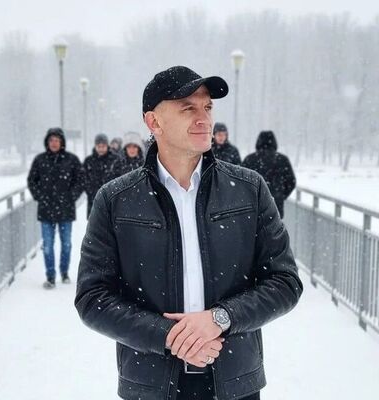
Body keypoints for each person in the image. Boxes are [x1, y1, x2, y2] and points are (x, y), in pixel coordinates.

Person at [75, 66, 303, 400]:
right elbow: (92, 298)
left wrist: (220, 318)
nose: (204, 118)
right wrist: (168, 336)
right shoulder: (115, 199)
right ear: (154, 122)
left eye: (207, 107)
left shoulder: (249, 189)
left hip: (235, 383)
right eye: (188, 108)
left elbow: (285, 282)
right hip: (151, 386)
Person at [28, 127, 84, 289]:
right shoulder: (40, 160)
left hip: (66, 210)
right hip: (46, 210)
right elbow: (32, 181)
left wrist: (71, 197)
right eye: (51, 140)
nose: (54, 143)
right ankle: (51, 276)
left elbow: (80, 180)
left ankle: (64, 272)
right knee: (47, 246)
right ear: (47, 142)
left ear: (62, 142)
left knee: (66, 245)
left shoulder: (71, 160)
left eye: (57, 140)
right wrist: (40, 196)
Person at [242, 130, 296, 218]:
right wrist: (281, 195)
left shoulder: (249, 159)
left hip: (253, 206)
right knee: (275, 225)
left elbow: (241, 182)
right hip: (275, 205)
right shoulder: (282, 159)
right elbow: (291, 182)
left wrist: (249, 196)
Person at [83, 133, 118, 218]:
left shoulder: (115, 159)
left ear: (107, 146)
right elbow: (83, 179)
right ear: (95, 146)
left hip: (111, 199)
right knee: (95, 224)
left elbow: (119, 177)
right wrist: (90, 190)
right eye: (99, 146)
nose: (101, 149)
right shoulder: (89, 161)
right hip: (93, 199)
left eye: (103, 146)